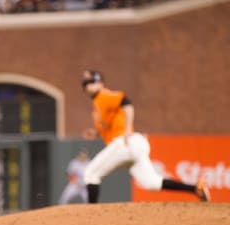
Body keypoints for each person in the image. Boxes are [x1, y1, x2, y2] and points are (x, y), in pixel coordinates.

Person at [80, 70, 211, 203]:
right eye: (86, 84)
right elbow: (110, 124)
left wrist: (127, 129)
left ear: (101, 83)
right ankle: (196, 188)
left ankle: (91, 215)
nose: (89, 86)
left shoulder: (104, 95)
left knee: (90, 174)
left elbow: (126, 102)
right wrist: (95, 133)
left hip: (125, 144)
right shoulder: (97, 107)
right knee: (152, 183)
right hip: (135, 145)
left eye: (93, 82)